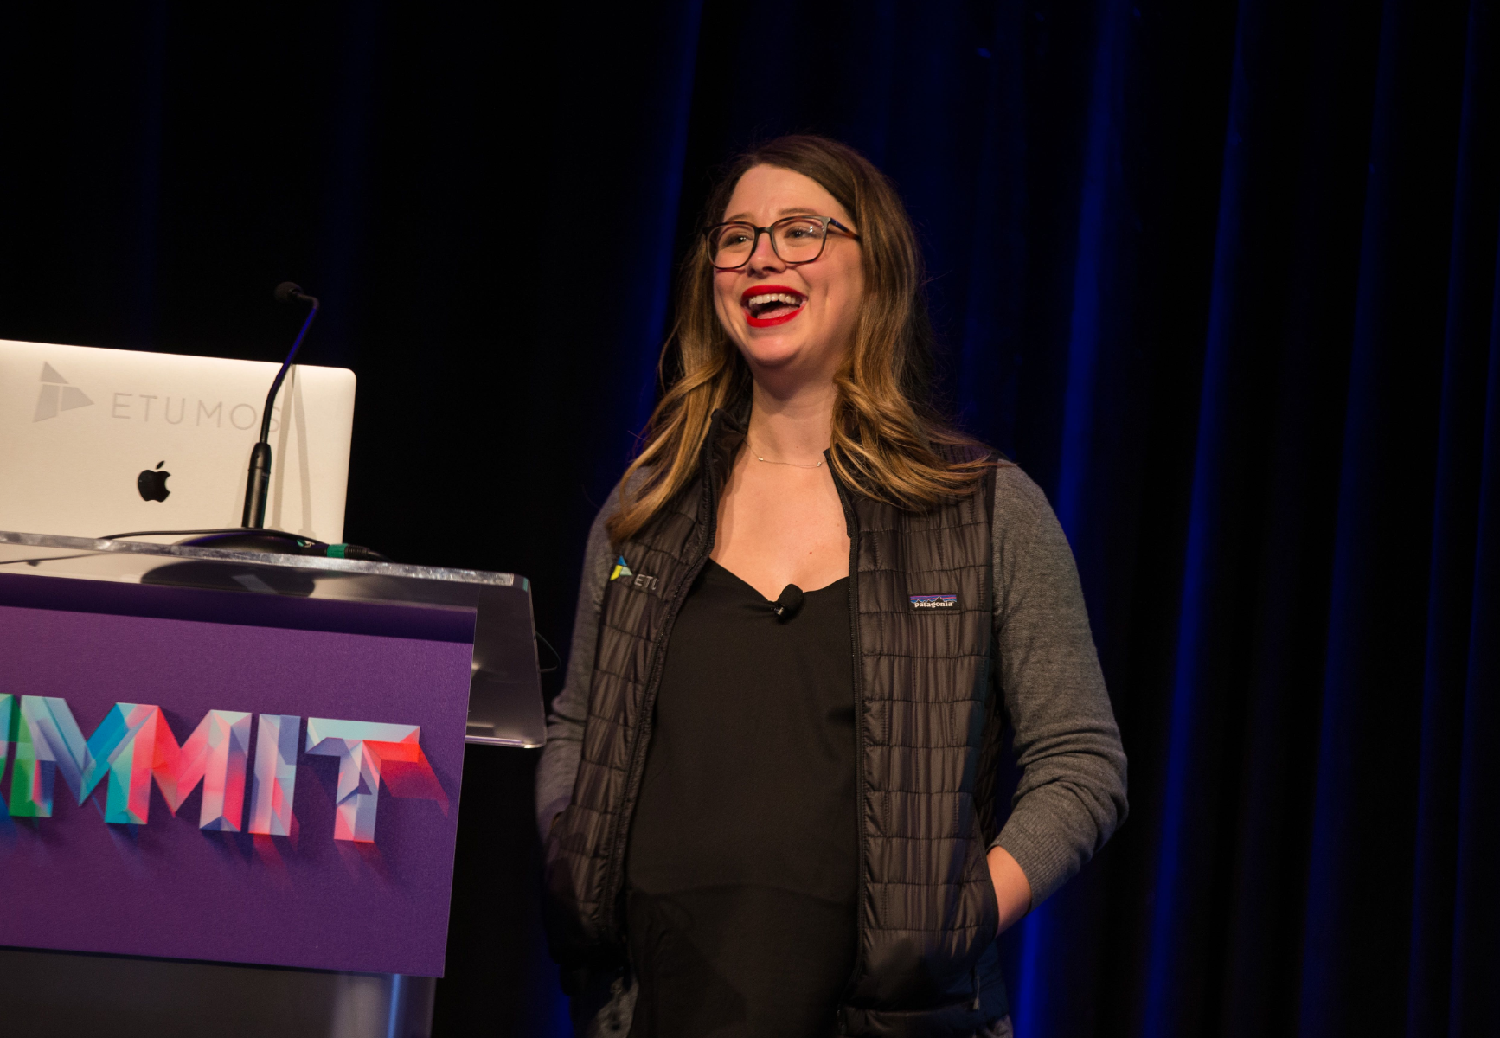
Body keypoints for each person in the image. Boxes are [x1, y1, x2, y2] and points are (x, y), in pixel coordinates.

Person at [536, 135, 1127, 1038]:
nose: (762, 256)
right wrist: (575, 858)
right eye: (736, 238)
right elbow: (577, 723)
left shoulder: (983, 511)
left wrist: (953, 923)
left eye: (801, 231)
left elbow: (1082, 765)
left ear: (875, 271)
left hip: (885, 1018)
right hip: (654, 1006)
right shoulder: (646, 508)